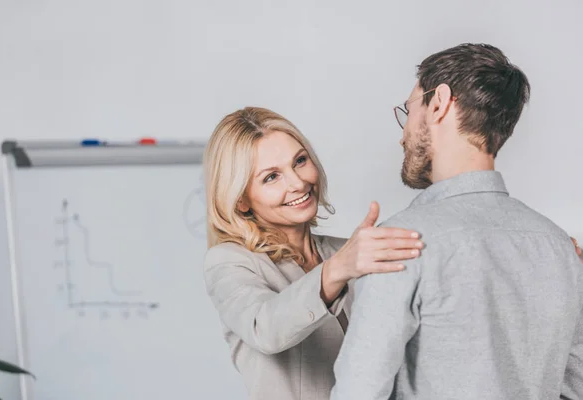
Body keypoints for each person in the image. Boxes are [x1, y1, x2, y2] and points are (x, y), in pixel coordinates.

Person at [330, 43, 583, 400]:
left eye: (409, 109)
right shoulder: (560, 248)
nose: (403, 135)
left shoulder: (399, 242)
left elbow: (358, 393)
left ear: (439, 103)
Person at [201, 107, 425, 400]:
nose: (298, 183)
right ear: (241, 201)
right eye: (271, 177)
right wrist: (337, 269)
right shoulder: (230, 262)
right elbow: (265, 328)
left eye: (300, 161)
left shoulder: (345, 251)